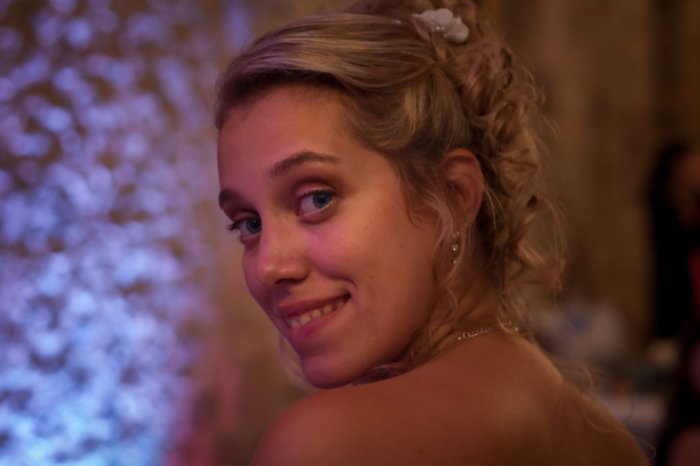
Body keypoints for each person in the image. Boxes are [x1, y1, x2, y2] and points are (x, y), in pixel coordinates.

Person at [215, 0, 649, 464]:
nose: (269, 266)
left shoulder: (327, 443)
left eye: (317, 198)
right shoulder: (604, 437)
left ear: (454, 193)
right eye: (249, 224)